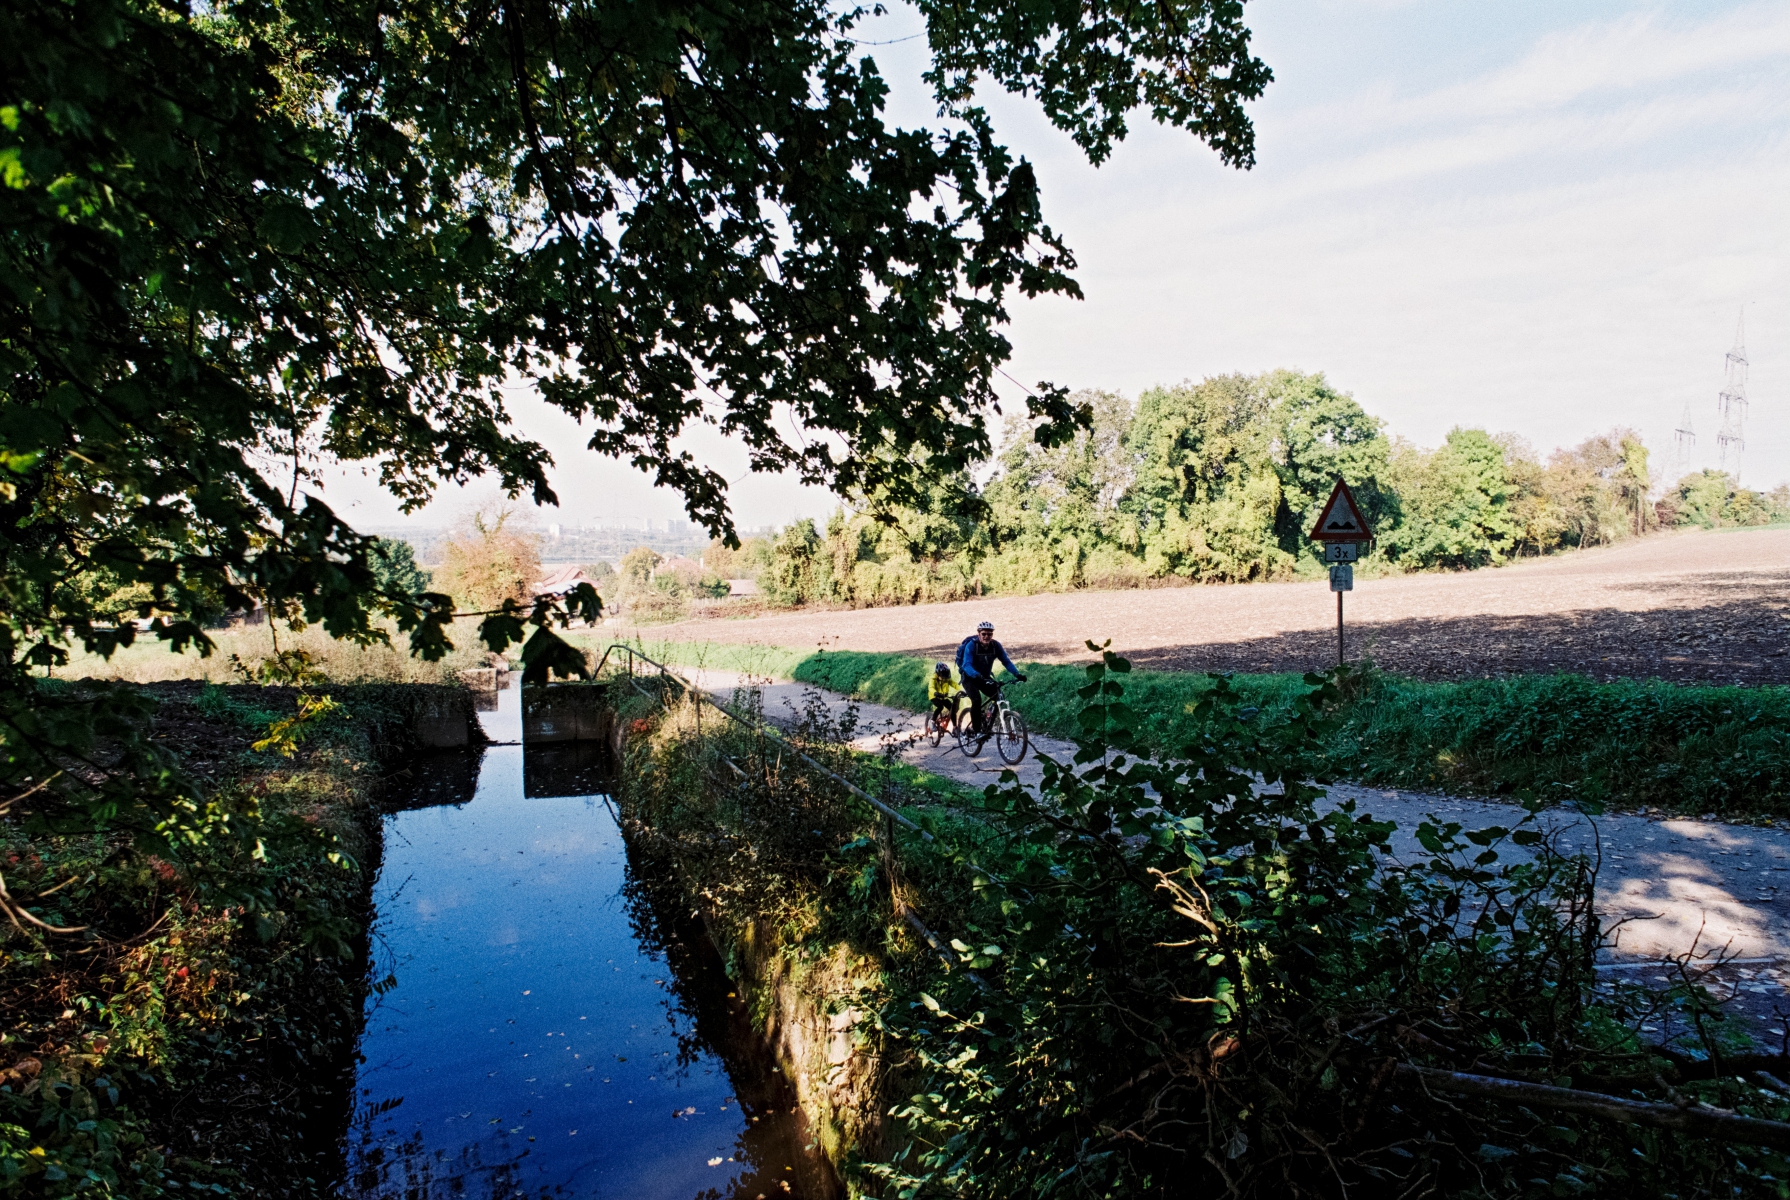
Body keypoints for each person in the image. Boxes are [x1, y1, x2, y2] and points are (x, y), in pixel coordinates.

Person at [956, 620, 1026, 737]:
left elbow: (1006, 661)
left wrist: (1017, 674)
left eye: (989, 634)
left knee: (998, 696)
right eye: (984, 634)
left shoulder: (995, 646)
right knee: (976, 700)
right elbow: (966, 664)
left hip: (984, 678)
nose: (986, 636)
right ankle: (977, 731)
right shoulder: (971, 645)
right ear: (979, 634)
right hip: (969, 678)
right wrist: (975, 674)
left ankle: (987, 726)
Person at [927, 662, 962, 731]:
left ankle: (955, 727)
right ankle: (932, 721)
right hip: (934, 696)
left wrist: (961, 689)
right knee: (940, 707)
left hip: (943, 697)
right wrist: (935, 692)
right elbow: (931, 687)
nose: (944, 678)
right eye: (943, 677)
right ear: (938, 673)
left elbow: (954, 684)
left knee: (952, 709)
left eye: (945, 677)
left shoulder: (946, 678)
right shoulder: (933, 679)